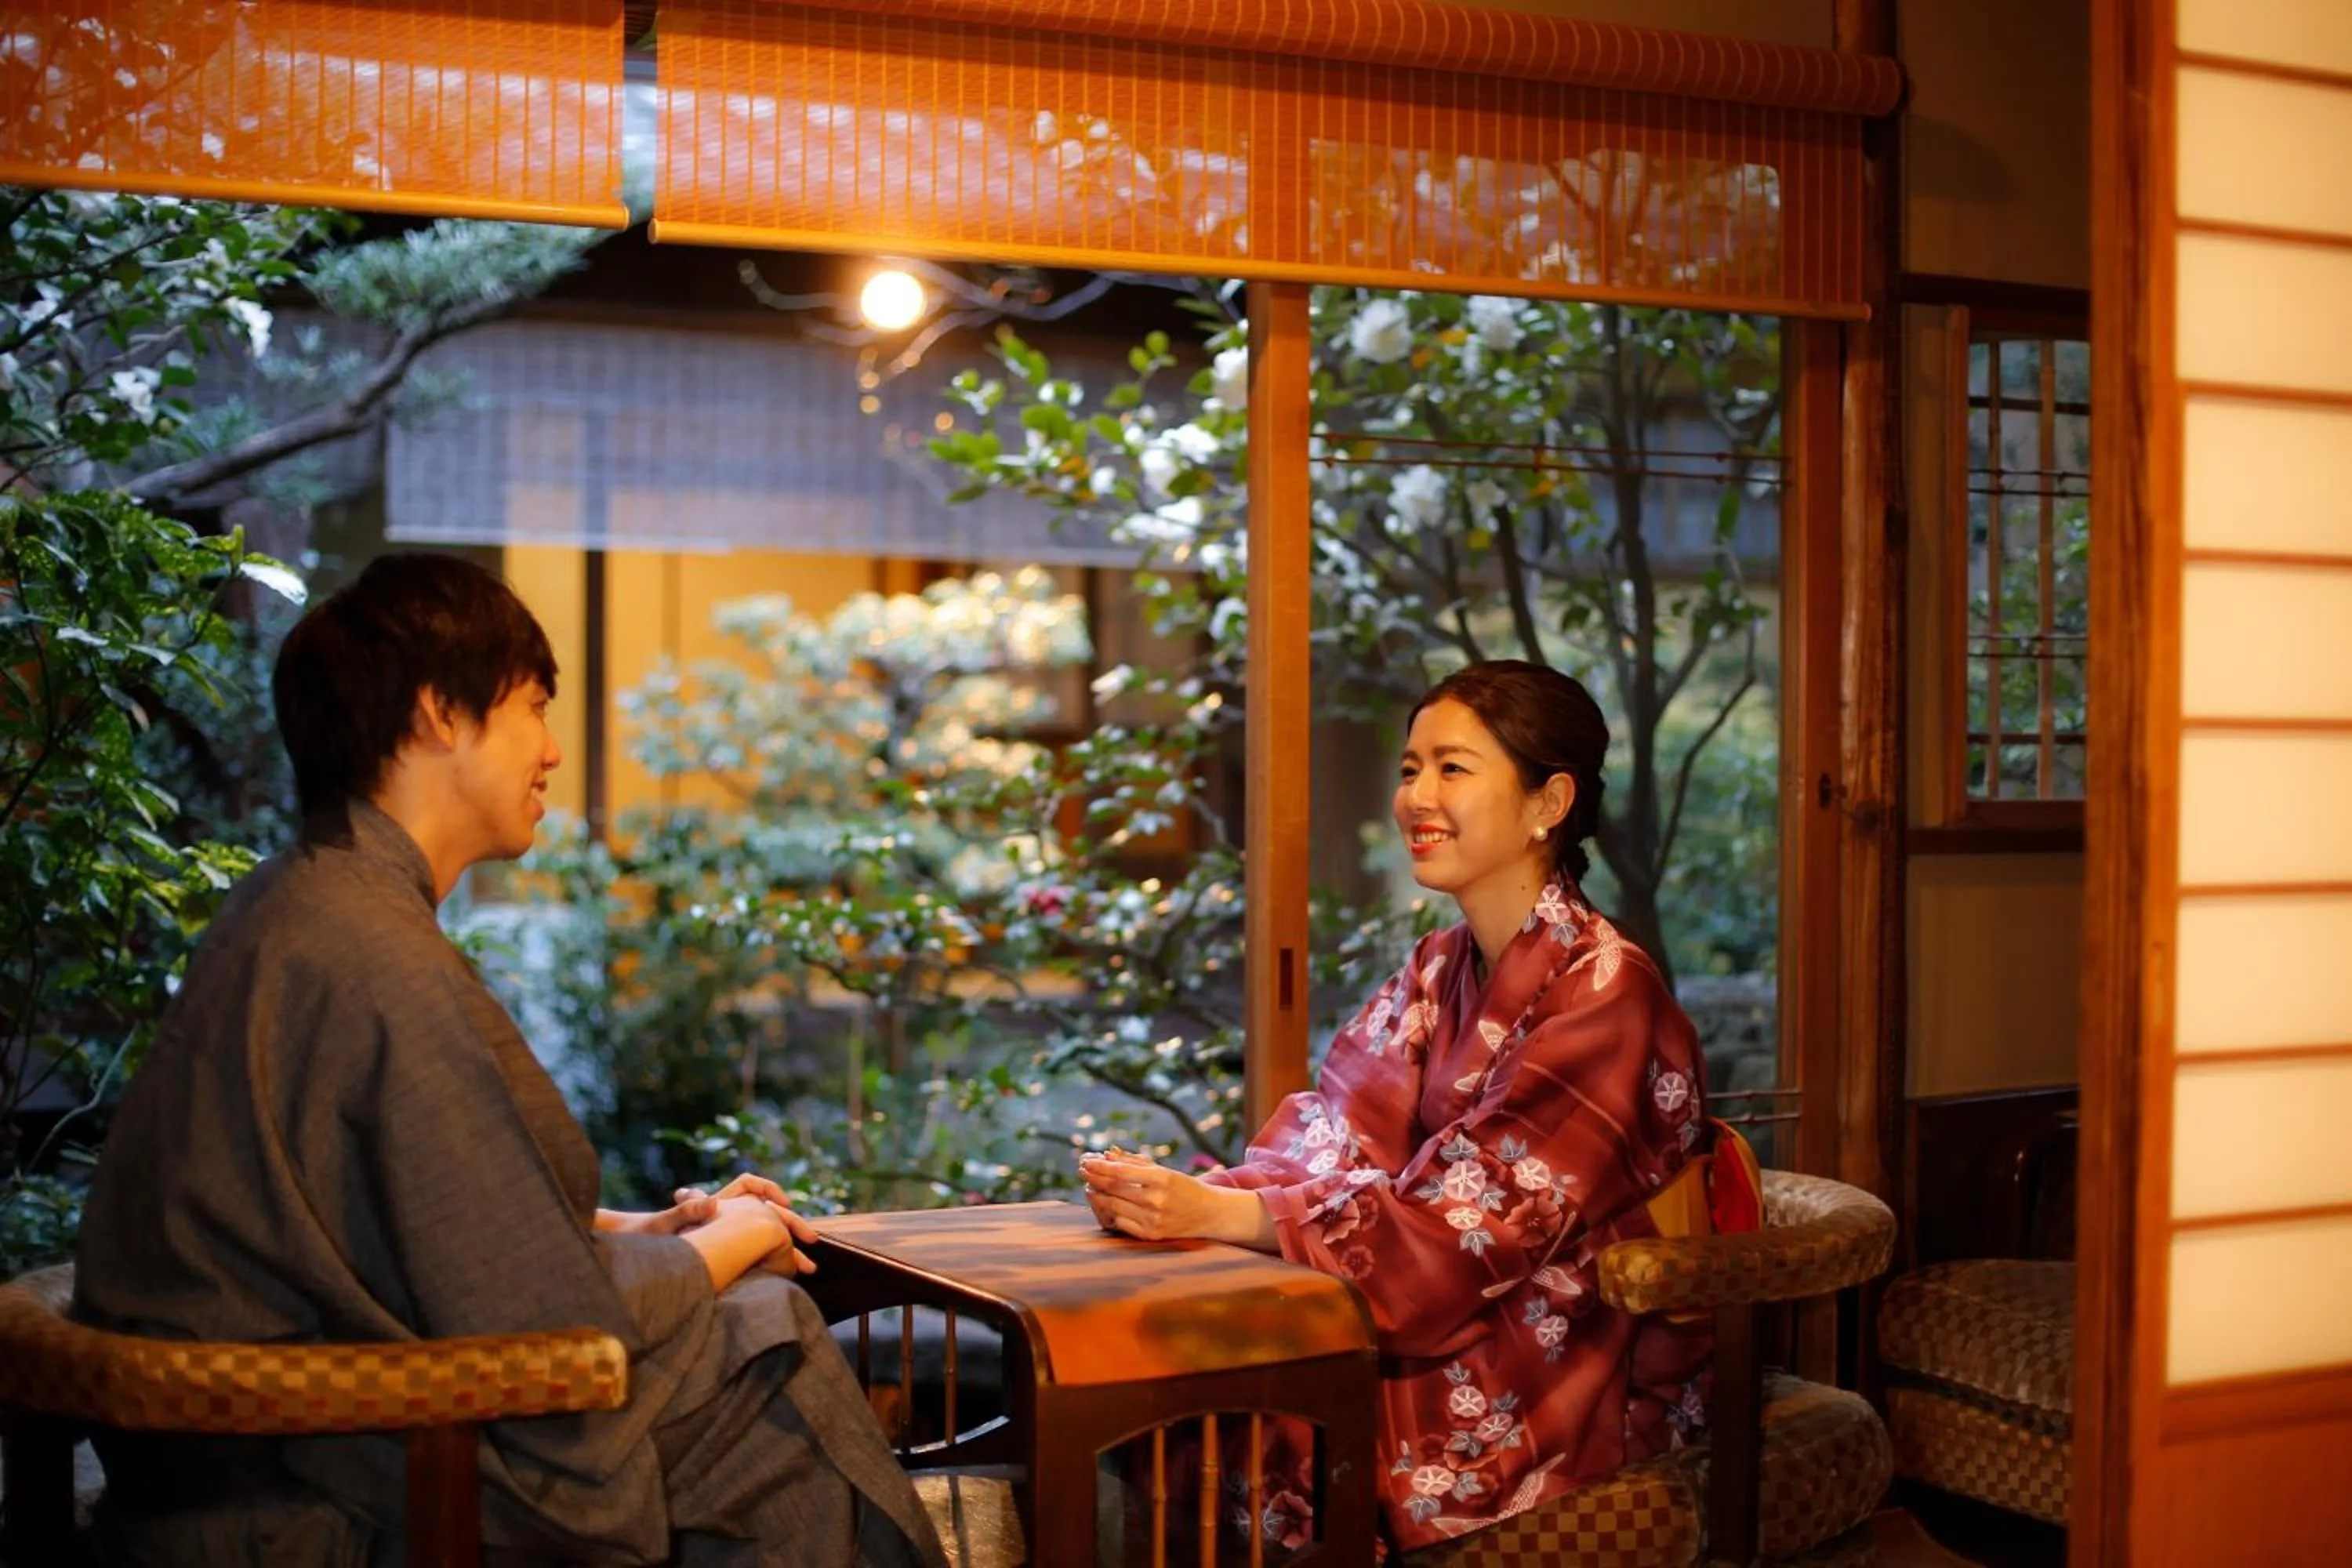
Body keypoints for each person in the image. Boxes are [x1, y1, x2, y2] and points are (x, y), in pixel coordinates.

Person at [71, 554, 946, 1568]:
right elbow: (544, 1319)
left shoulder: (309, 904)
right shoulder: (367, 951)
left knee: (742, 1320)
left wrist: (651, 1228)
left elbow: (418, 1223)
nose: (551, 750)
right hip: (312, 1473)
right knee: (764, 1344)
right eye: (534, 704)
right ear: (441, 713)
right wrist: (737, 1234)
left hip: (245, 1443)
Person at [1079, 659, 1718, 1555]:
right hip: (1455, 1301)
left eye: (1453, 767)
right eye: (1411, 767)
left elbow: (1470, 1226)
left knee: (1274, 1406)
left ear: (1549, 801)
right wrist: (1197, 1204)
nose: (1418, 793)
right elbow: (1332, 1134)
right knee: (1185, 1355)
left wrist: (1240, 1216)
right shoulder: (1437, 966)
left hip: (1554, 1345)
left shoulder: (1606, 990)